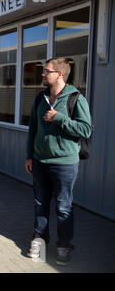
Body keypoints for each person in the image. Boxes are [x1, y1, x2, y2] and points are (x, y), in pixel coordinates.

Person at [25, 58, 92, 266]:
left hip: (64, 163)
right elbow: (33, 128)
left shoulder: (75, 98)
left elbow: (86, 130)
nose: (43, 74)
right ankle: (40, 239)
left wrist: (59, 118)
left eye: (46, 71)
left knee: (64, 206)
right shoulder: (40, 98)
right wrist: (29, 155)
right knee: (40, 203)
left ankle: (64, 245)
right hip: (39, 161)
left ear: (60, 75)